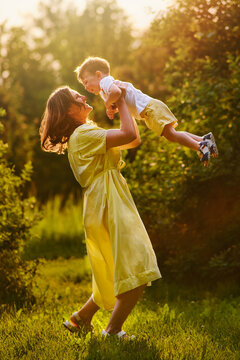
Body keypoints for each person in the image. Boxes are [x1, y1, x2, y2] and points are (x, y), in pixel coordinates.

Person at [40, 86, 161, 340]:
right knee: (138, 262)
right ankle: (113, 331)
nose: (83, 97)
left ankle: (80, 318)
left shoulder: (85, 133)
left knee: (112, 267)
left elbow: (133, 139)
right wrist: (123, 101)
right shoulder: (83, 134)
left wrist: (122, 106)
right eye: (76, 98)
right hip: (108, 200)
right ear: (68, 111)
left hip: (105, 199)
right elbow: (129, 132)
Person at [75, 57, 219, 167]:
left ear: (99, 74)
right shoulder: (104, 90)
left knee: (171, 135)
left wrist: (107, 105)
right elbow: (119, 98)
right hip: (149, 110)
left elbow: (117, 92)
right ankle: (204, 139)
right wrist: (113, 107)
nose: (86, 87)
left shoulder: (105, 82)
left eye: (86, 82)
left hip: (150, 108)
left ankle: (200, 146)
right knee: (171, 134)